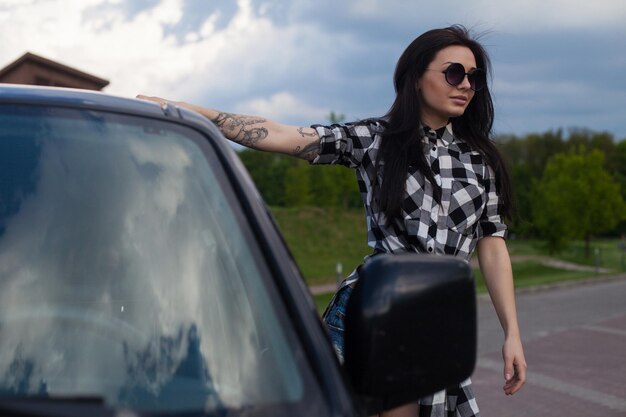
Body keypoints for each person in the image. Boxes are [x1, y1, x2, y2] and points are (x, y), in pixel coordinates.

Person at [139, 24, 526, 417]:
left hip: (438, 321)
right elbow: (281, 134)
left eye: (474, 78)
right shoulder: (377, 140)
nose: (465, 85)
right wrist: (191, 113)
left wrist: (512, 332)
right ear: (415, 77)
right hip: (379, 310)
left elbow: (493, 247)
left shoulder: (482, 161)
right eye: (454, 73)